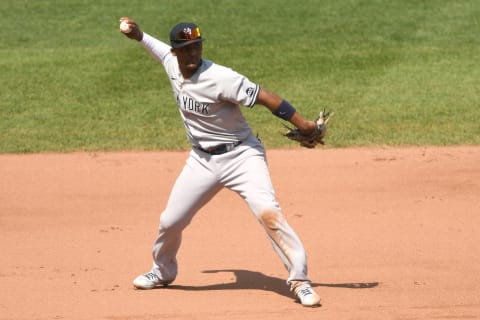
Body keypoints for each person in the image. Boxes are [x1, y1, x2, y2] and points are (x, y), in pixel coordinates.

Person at [119, 17, 321, 307]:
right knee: (171, 220)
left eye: (197, 47)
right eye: (186, 49)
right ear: (176, 52)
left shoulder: (222, 77)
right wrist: (138, 34)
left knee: (268, 212)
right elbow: (157, 48)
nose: (193, 54)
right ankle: (162, 271)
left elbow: (267, 97)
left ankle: (300, 280)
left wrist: (302, 123)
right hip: (201, 161)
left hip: (242, 156)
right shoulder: (171, 63)